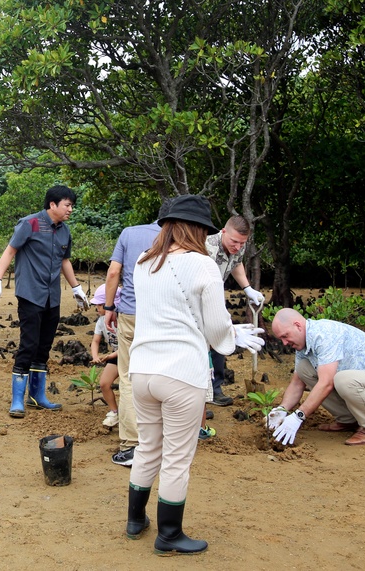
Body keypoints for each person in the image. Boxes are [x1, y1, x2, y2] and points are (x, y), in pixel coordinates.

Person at [125, 195, 264, 555]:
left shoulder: (144, 262)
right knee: (176, 457)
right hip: (181, 373)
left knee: (148, 446)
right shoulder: (202, 265)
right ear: (200, 230)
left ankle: (135, 520)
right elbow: (216, 330)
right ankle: (169, 535)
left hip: (142, 370)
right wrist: (234, 336)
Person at [0, 185, 90, 417]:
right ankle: (17, 399)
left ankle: (37, 396)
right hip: (31, 293)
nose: (70, 209)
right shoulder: (30, 223)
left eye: (72, 205)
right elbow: (10, 251)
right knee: (29, 344)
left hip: (52, 296)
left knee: (44, 346)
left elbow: (65, 260)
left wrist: (76, 287)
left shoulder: (65, 231)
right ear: (52, 205)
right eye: (67, 205)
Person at [268, 308, 365, 447]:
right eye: (281, 339)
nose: (284, 343)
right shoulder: (303, 345)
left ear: (297, 326)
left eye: (285, 336)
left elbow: (326, 383)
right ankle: (348, 419)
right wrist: (282, 409)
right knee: (304, 369)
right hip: (361, 382)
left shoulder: (324, 334)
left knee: (341, 379)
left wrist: (299, 416)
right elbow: (297, 383)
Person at [103, 200, 170, 466]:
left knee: (130, 379)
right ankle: (160, 442)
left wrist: (109, 307)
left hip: (131, 314)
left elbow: (113, 272)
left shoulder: (129, 233)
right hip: (164, 317)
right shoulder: (180, 239)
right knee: (161, 376)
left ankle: (132, 446)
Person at [205, 216, 264, 407]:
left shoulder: (239, 246)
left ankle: (216, 389)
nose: (238, 247)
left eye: (242, 243)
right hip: (200, 299)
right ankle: (204, 390)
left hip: (216, 296)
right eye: (234, 241)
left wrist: (247, 288)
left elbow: (237, 263)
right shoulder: (207, 248)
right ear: (223, 231)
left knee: (221, 338)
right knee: (206, 341)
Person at [89, 284, 121, 427]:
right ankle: (115, 412)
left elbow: (129, 346)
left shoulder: (124, 319)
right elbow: (95, 341)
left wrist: (110, 356)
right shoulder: (101, 321)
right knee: (104, 383)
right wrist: (95, 356)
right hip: (115, 356)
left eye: (100, 305)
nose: (97, 308)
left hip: (129, 355)